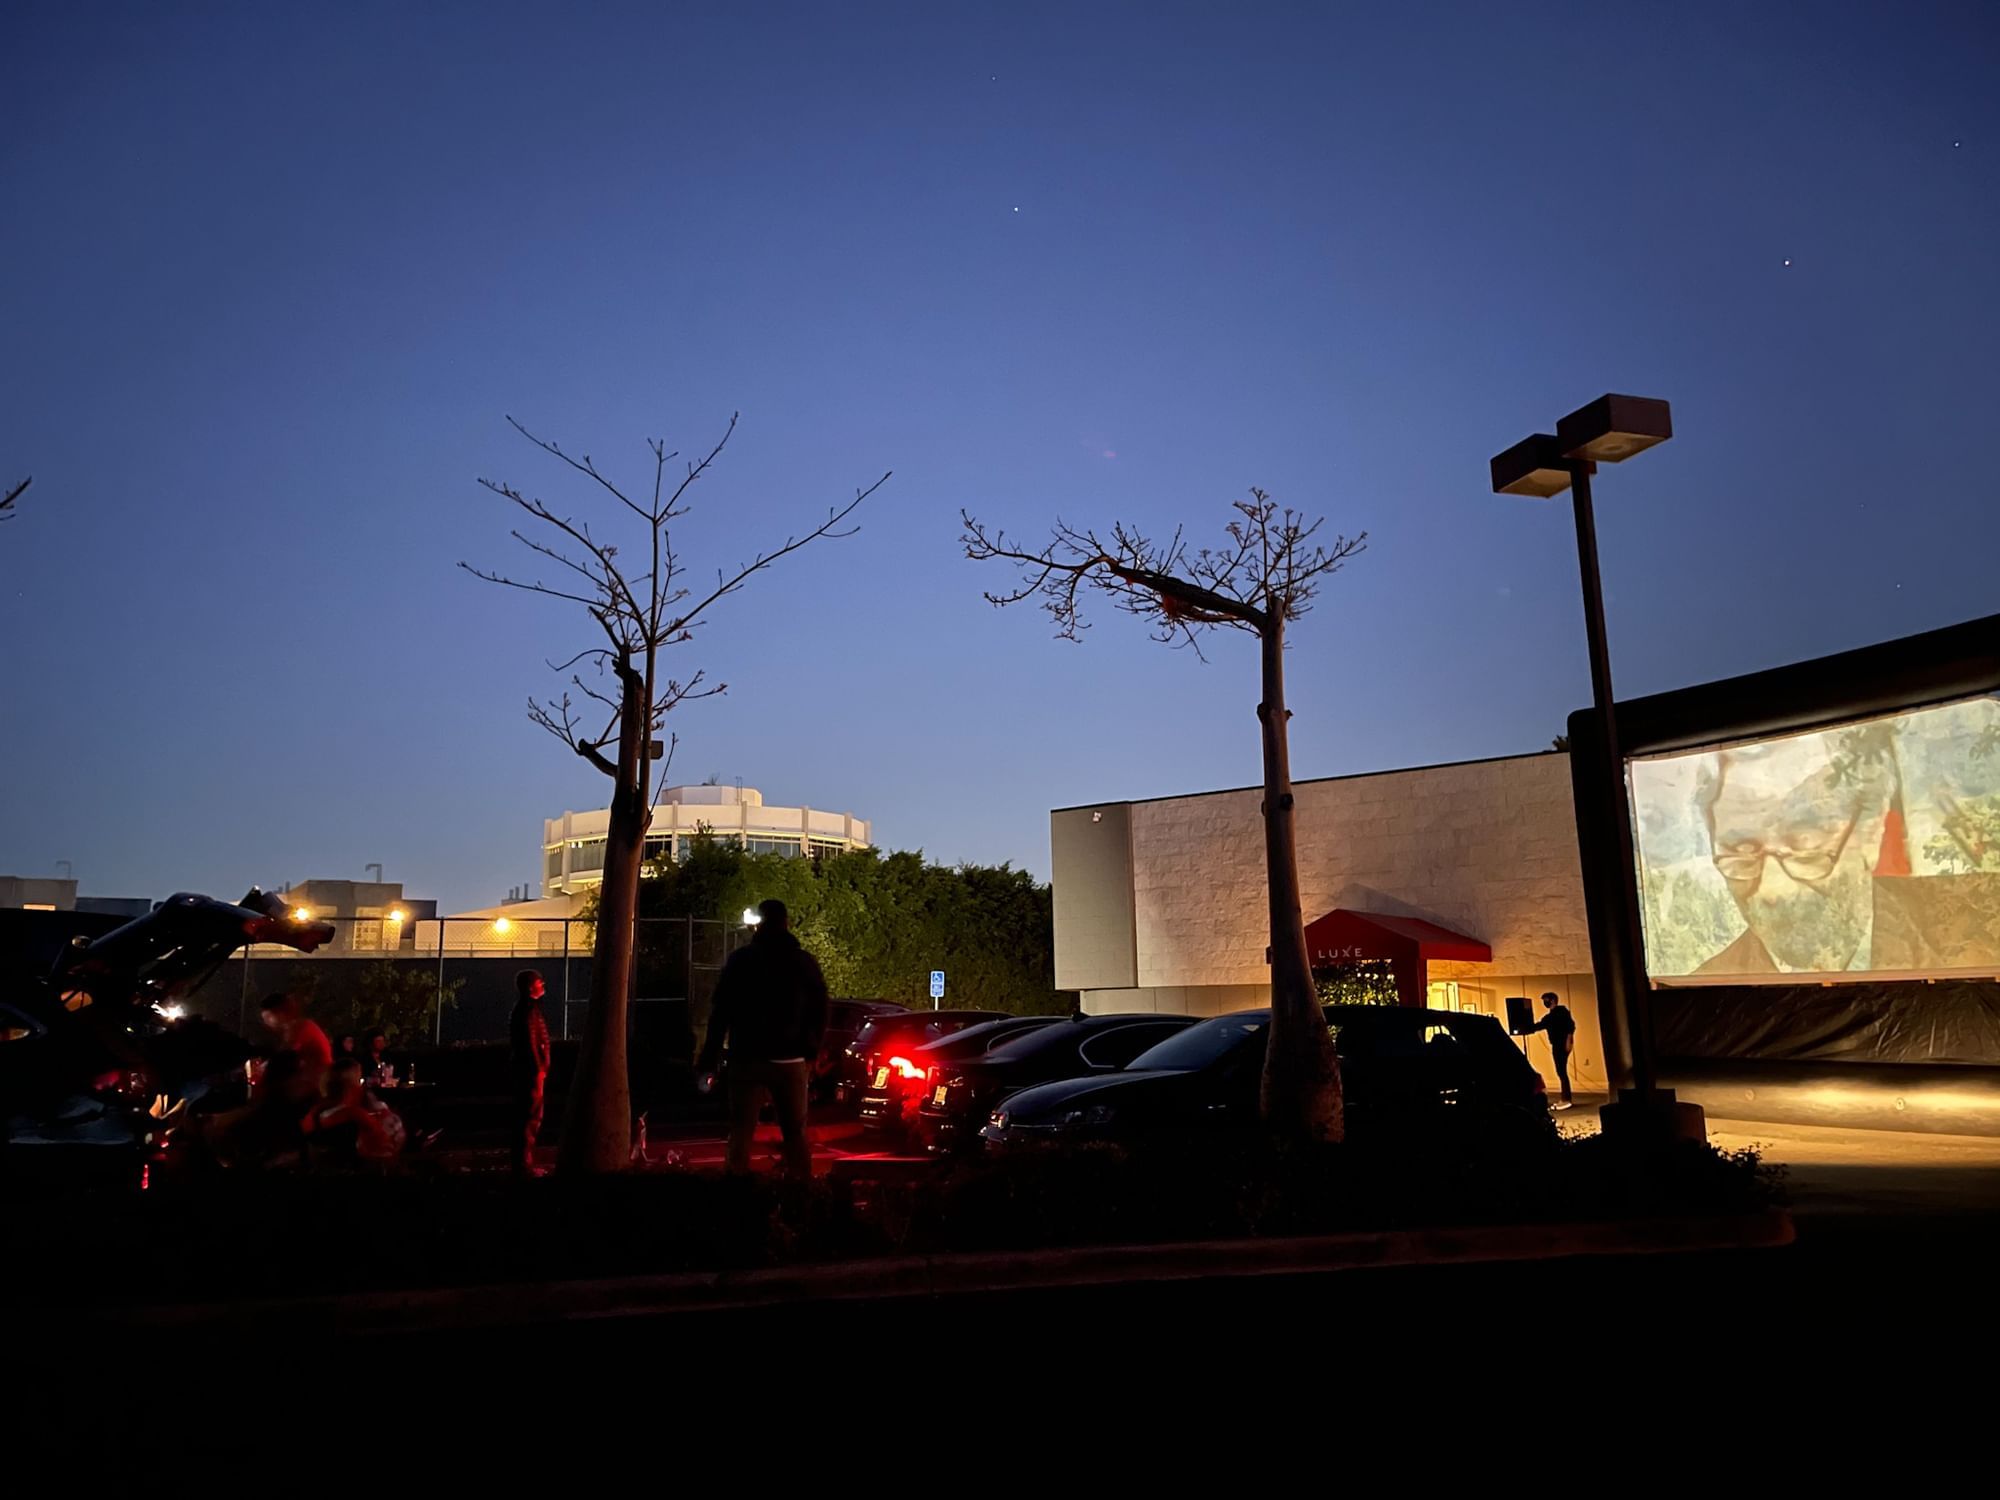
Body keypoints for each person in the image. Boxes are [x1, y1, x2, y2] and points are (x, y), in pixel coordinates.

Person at [697, 899, 829, 1180]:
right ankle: (800, 1194)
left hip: (747, 1056)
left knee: (741, 1131)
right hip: (790, 1058)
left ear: (759, 923)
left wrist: (710, 1056)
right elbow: (820, 1008)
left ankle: (735, 1193)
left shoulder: (741, 960)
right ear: (786, 923)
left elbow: (721, 1011)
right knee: (795, 1133)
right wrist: (812, 1050)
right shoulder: (802, 962)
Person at [308, 1057, 406, 1167]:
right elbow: (385, 1145)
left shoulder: (316, 1112)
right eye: (359, 1081)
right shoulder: (356, 1115)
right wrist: (382, 1111)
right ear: (351, 1086)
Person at [509, 969, 551, 1176]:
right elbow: (530, 1042)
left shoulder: (527, 1010)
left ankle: (524, 1162)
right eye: (538, 982)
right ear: (529, 987)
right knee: (530, 1116)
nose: (542, 984)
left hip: (531, 1071)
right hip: (531, 1072)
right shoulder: (528, 1011)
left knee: (529, 1116)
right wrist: (538, 1069)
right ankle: (524, 1165)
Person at [259, 991, 333, 1098]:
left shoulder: (300, 1027)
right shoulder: (297, 1028)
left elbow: (283, 1058)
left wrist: (262, 1069)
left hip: (315, 1086)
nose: (267, 1023)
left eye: (268, 1017)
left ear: (280, 1013)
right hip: (313, 1084)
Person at [1526, 991, 1577, 1108]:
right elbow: (1540, 1025)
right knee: (1561, 1072)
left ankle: (1566, 1099)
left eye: (1546, 1000)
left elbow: (1570, 1027)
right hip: (1557, 1044)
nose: (1545, 1003)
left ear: (1552, 1000)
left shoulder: (1560, 1013)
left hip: (1560, 1045)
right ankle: (1566, 1098)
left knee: (1561, 1072)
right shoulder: (1551, 1016)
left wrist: (1569, 1041)